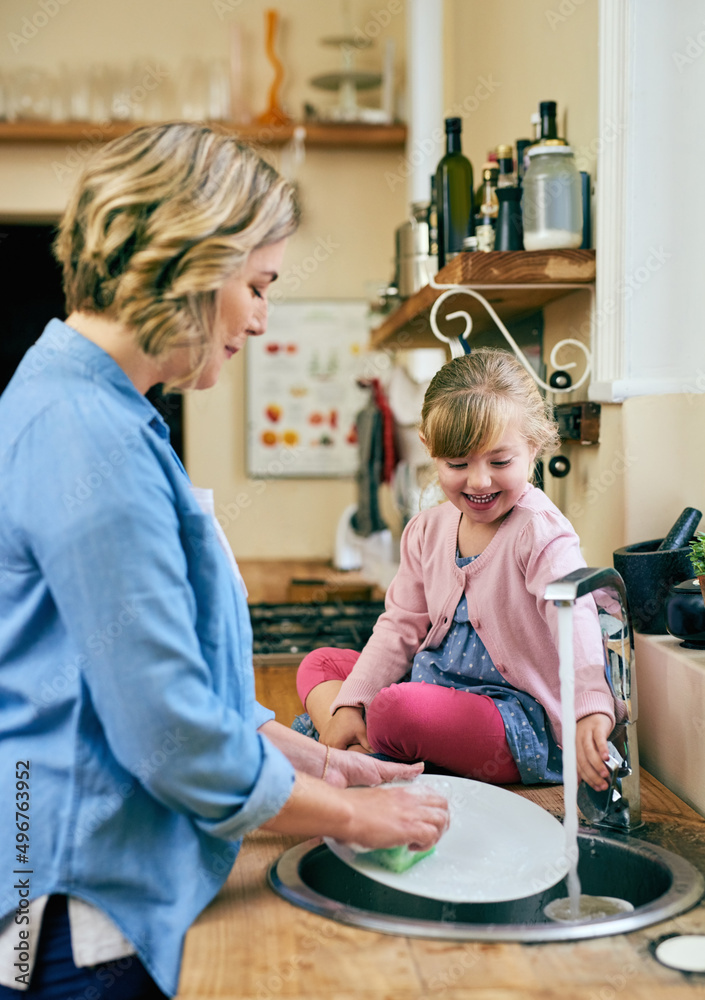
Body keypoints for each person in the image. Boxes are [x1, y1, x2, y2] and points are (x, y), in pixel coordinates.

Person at [0, 122, 449, 1000]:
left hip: (70, 886)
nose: (260, 317)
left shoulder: (91, 405)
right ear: (192, 264)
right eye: (255, 284)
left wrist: (314, 761)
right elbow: (170, 733)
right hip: (80, 912)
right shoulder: (86, 434)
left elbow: (146, 671)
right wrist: (354, 813)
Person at [296, 348, 617, 793]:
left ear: (534, 447)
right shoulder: (426, 529)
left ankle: (358, 752)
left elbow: (575, 617)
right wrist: (352, 702)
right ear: (431, 451)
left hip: (513, 718)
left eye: (499, 462)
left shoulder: (538, 530)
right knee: (321, 663)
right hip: (433, 689)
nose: (479, 481)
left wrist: (590, 706)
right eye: (457, 464)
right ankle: (355, 740)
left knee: (394, 710)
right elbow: (399, 628)